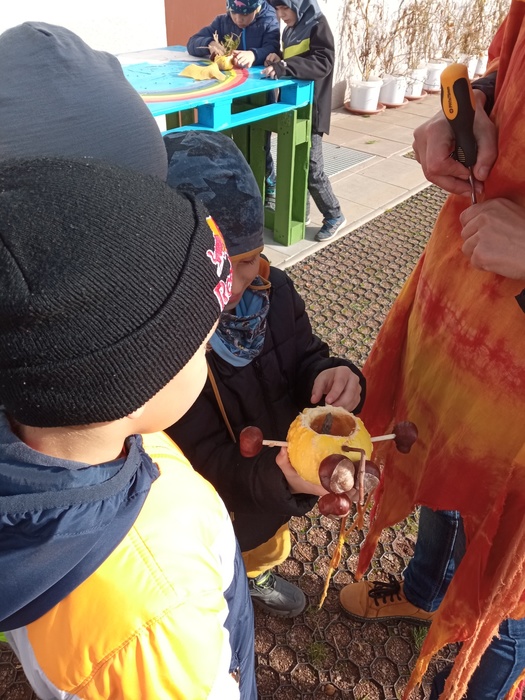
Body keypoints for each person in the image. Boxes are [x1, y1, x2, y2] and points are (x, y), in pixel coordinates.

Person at [0, 156, 256, 699]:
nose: (208, 358)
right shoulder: (157, 617)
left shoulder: (58, 444)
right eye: (200, 347)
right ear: (129, 387)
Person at [339, 7, 525, 699]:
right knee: (436, 449)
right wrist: (469, 106)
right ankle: (423, 590)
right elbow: (510, 71)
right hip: (466, 300)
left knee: (503, 584)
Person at [164, 129, 366, 617]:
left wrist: (331, 373)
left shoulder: (275, 292)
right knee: (216, 566)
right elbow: (203, 460)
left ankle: (256, 575)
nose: (238, 282)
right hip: (222, 501)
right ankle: (225, 590)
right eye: (218, 266)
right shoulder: (170, 342)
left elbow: (304, 354)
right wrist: (282, 480)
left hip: (276, 489)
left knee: (267, 543)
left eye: (250, 259)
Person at [262, 0, 346, 242]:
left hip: (313, 109)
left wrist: (286, 66)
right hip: (294, 107)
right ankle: (302, 213)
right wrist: (277, 58)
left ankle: (334, 215)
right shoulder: (290, 29)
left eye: (285, 8)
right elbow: (293, 58)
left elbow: (323, 62)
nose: (281, 14)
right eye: (277, 9)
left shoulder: (317, 25)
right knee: (298, 164)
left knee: (312, 168)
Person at [187, 0, 279, 200]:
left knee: (260, 143)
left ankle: (268, 180)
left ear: (257, 8)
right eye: (234, 14)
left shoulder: (269, 21)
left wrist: (254, 54)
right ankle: (239, 184)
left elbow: (274, 48)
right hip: (231, 94)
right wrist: (209, 44)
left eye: (245, 15)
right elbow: (192, 42)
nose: (238, 20)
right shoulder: (222, 22)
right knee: (232, 142)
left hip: (260, 94)